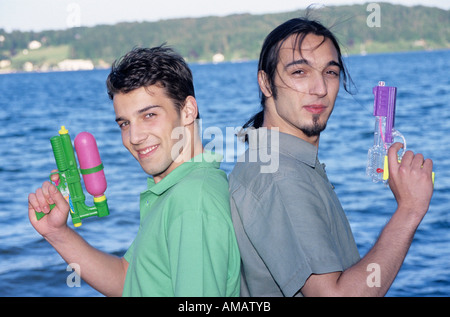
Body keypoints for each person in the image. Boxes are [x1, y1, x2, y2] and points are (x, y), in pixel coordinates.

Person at [228, 17, 434, 296]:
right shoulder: (280, 176)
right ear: (266, 83)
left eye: (330, 72)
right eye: (299, 72)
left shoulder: (279, 161)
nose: (320, 89)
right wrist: (409, 209)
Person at [28, 46, 240, 297]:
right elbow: (128, 279)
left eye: (149, 115)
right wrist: (57, 233)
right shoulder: (176, 188)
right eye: (125, 123)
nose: (134, 137)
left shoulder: (192, 201)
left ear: (188, 111)